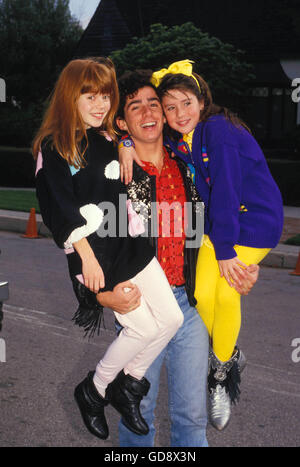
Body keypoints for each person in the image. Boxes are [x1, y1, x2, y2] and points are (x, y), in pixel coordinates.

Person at [120, 60, 283, 431]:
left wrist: (227, 252)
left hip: (253, 225)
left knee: (225, 295)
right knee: (203, 296)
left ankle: (221, 375)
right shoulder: (183, 140)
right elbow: (126, 135)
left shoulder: (219, 130)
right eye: (170, 107)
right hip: (217, 233)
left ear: (202, 100)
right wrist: (125, 143)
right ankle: (231, 352)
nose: (179, 113)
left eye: (187, 103)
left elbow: (225, 192)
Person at [32, 57, 185, 441]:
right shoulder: (55, 146)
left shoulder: (105, 138)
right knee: (141, 328)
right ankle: (94, 390)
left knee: (170, 320)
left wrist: (126, 147)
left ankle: (124, 387)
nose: (101, 104)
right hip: (97, 254)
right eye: (90, 96)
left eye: (105, 95)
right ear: (71, 96)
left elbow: (120, 161)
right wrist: (85, 258)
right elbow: (57, 209)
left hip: (130, 244)